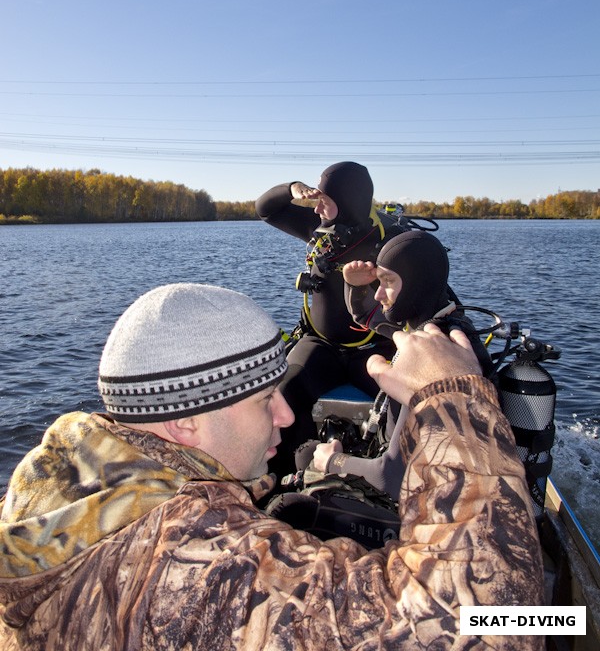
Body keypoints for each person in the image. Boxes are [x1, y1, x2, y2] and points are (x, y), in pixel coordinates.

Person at [0, 283, 544, 650]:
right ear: (187, 423)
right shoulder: (199, 568)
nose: (288, 414)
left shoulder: (47, 487)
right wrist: (455, 405)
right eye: (265, 399)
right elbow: (489, 625)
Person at [309, 230, 495, 500]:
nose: (379, 293)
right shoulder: (439, 325)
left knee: (304, 469)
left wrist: (333, 461)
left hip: (426, 502)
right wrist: (355, 285)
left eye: (388, 282)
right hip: (430, 479)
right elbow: (368, 315)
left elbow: (391, 479)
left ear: (415, 284)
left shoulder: (432, 360)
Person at [255, 161, 396, 478]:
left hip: (373, 349)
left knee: (398, 405)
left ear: (347, 202)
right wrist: (292, 188)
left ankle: (379, 480)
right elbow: (265, 208)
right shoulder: (318, 229)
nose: (317, 207)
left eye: (325, 201)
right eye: (317, 199)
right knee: (286, 393)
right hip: (320, 344)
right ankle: (284, 478)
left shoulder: (389, 240)